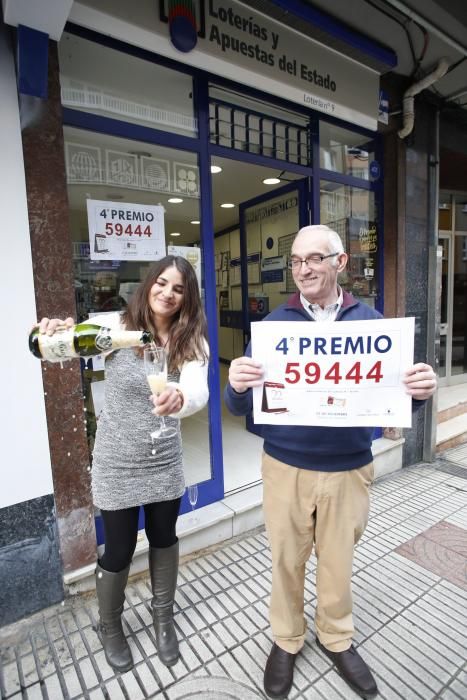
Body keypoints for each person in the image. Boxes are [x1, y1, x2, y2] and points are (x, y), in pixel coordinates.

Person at [224, 225, 437, 700]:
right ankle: (286, 639)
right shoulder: (275, 327)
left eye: (315, 259)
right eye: (298, 261)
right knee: (285, 559)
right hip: (284, 466)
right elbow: (240, 407)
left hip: (348, 469)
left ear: (340, 263)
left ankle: (337, 637)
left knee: (338, 561)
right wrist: (236, 385)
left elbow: (393, 403)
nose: (303, 270)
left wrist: (418, 395)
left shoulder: (373, 324)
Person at [37, 255, 209, 673]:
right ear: (148, 285)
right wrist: (53, 335)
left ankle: (162, 618)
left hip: (164, 461)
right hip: (117, 462)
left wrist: (181, 399)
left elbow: (198, 390)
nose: (168, 293)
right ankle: (109, 625)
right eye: (162, 284)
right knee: (119, 548)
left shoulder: (191, 342)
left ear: (188, 298)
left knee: (164, 537)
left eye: (179, 288)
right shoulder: (115, 328)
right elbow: (58, 351)